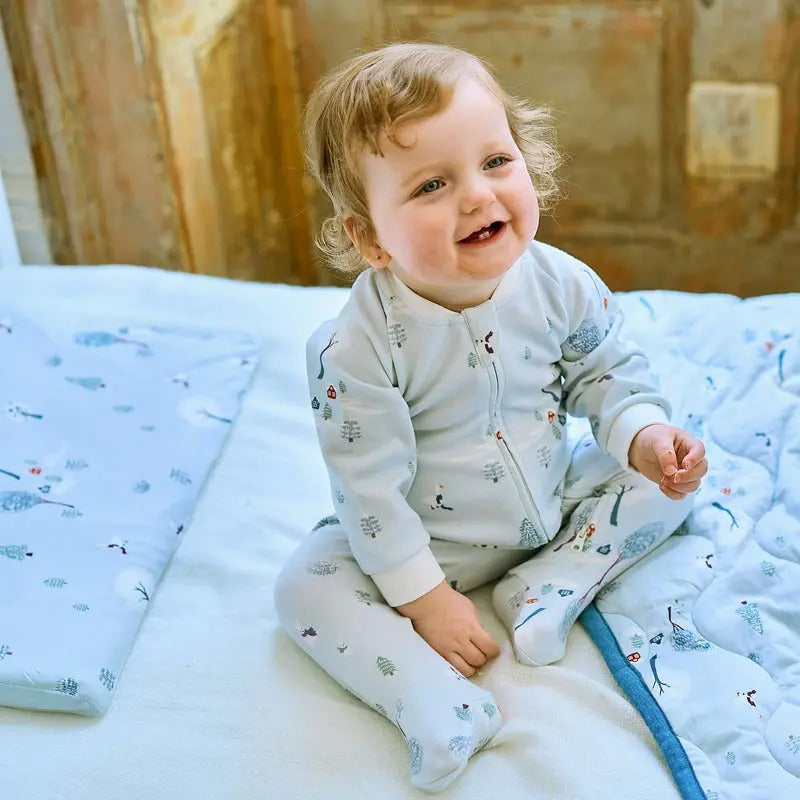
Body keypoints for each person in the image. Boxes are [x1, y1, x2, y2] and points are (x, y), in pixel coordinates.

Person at [274, 41, 707, 792]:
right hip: (432, 545)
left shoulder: (559, 282)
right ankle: (436, 704)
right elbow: (368, 494)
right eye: (432, 184)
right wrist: (425, 600)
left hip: (553, 500)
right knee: (304, 587)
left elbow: (603, 374)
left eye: (496, 162)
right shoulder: (354, 349)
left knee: (673, 479)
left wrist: (642, 435)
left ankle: (551, 583)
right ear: (370, 237)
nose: (478, 196)